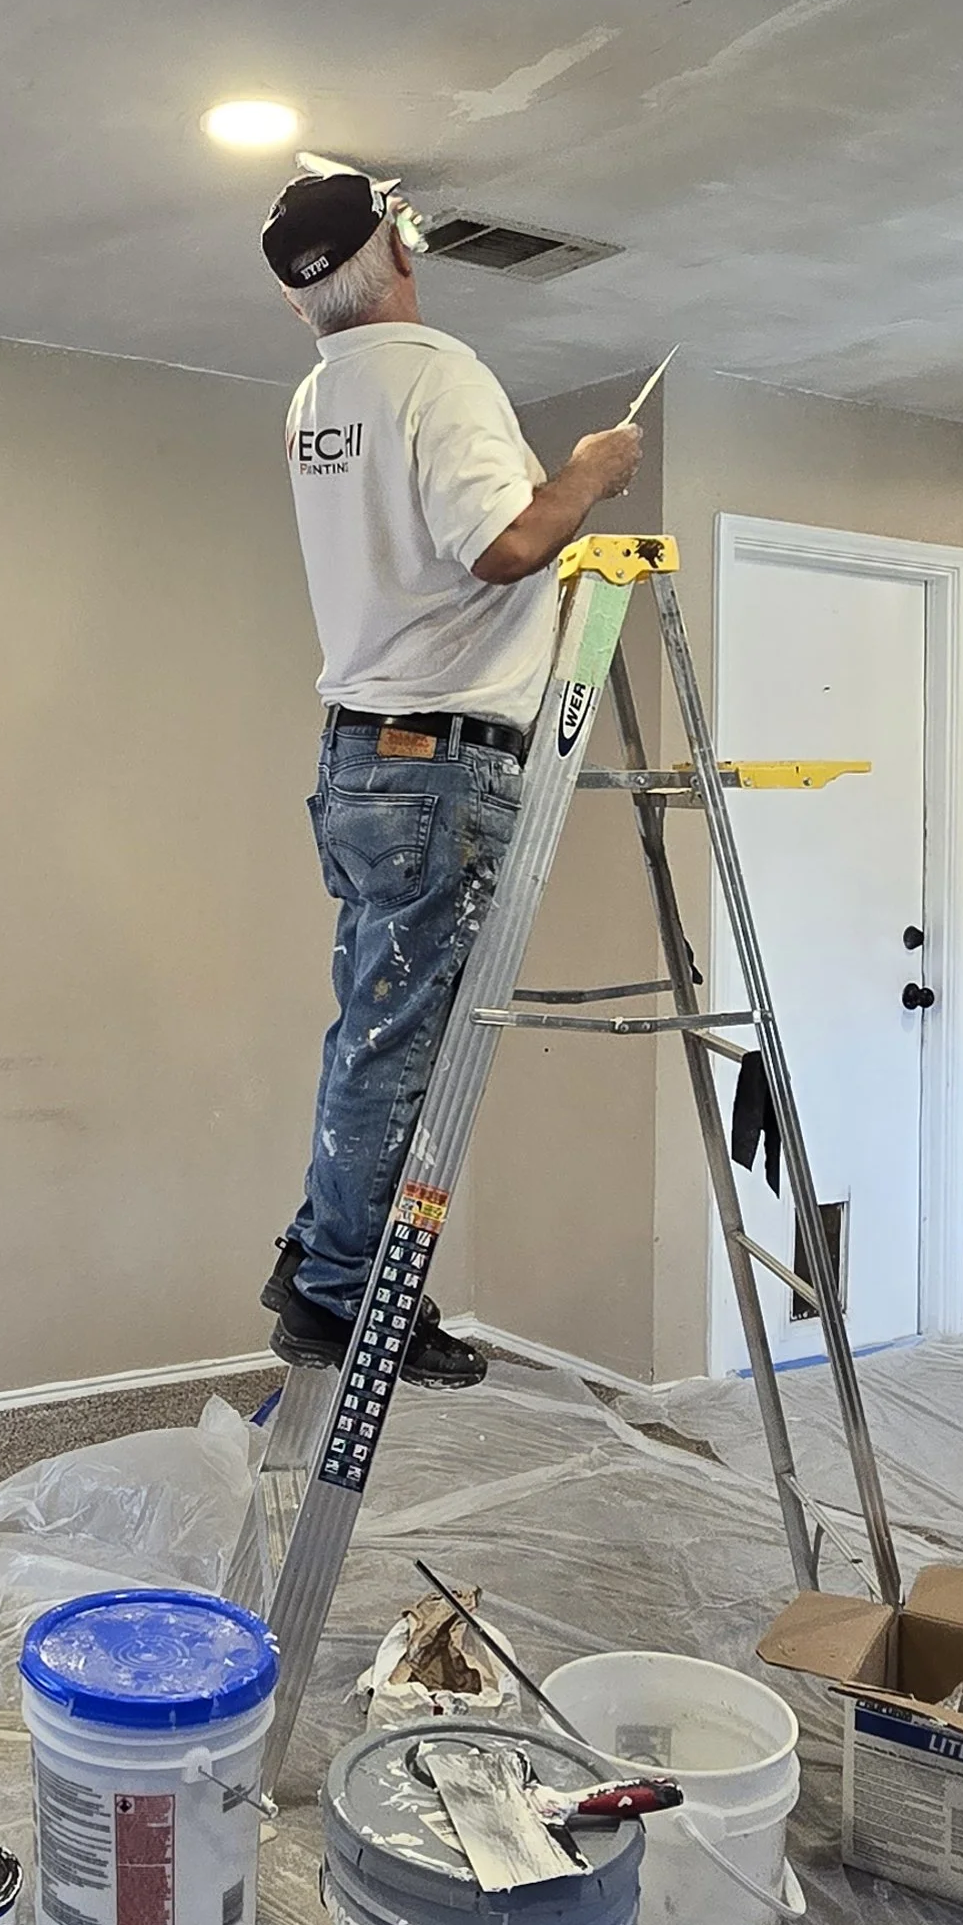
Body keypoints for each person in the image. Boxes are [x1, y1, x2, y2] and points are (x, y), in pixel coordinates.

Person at [258, 162, 644, 1385]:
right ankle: (342, 1292)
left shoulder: (318, 396)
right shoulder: (440, 376)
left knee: (368, 1030)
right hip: (436, 761)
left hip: (362, 757)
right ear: (402, 253)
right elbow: (503, 545)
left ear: (296, 300)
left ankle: (321, 1261)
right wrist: (590, 472)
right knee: (401, 1042)